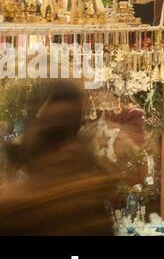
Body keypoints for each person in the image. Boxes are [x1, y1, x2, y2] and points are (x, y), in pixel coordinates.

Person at [0, 81, 121, 235]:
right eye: (55, 135)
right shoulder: (14, 215)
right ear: (32, 139)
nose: (70, 147)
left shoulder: (90, 210)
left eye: (75, 133)